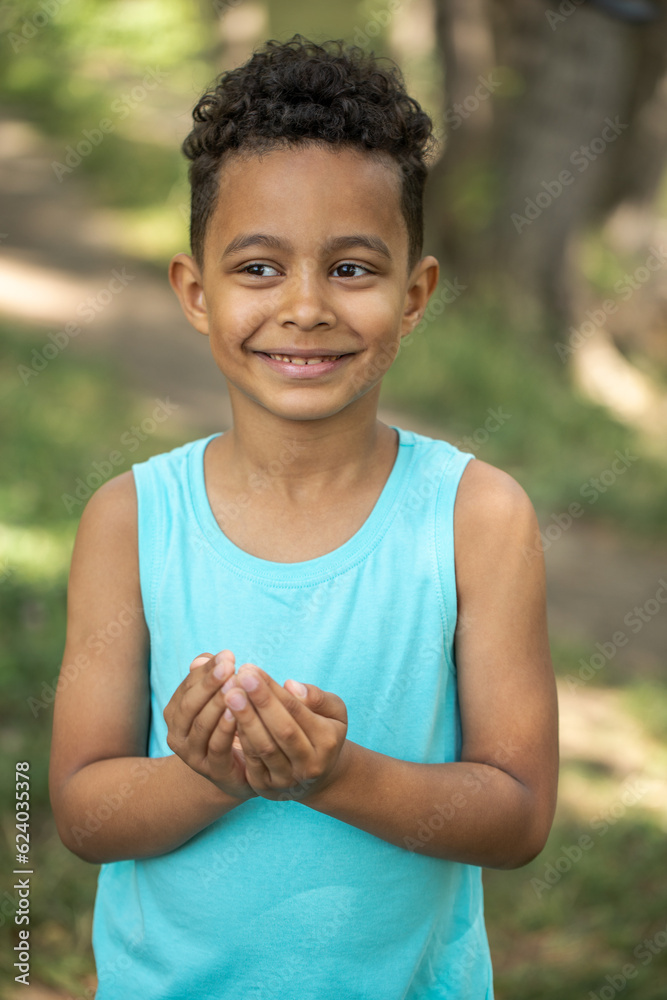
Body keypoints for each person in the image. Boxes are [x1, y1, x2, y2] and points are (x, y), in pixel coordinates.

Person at [49, 34, 559, 999]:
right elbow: (80, 811)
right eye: (258, 268)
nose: (306, 307)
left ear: (414, 298)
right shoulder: (128, 522)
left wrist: (332, 775)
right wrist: (211, 773)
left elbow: (518, 817)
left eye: (353, 270)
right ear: (195, 294)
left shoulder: (475, 518)